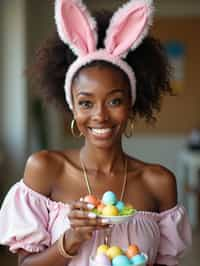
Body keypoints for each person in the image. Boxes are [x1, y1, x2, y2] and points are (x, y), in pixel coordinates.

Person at [0, 0, 192, 266]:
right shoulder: (45, 168)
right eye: (86, 103)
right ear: (72, 108)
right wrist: (72, 239)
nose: (100, 115)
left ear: (130, 104)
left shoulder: (158, 182)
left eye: (114, 101)